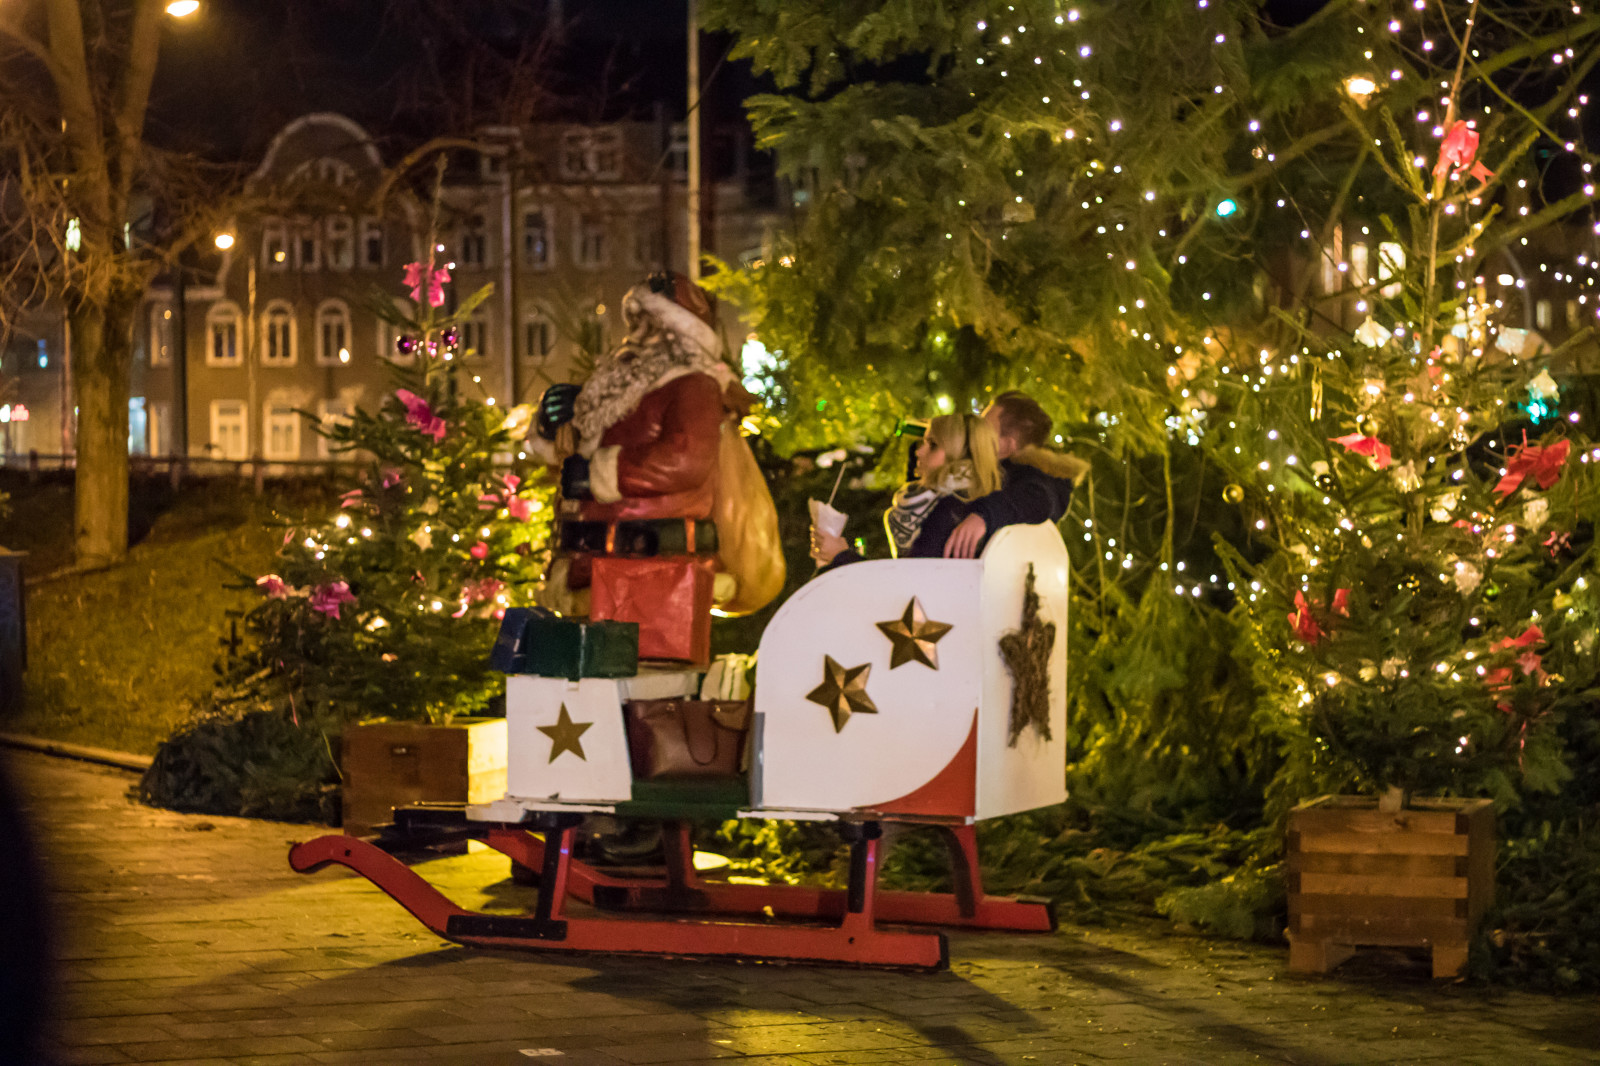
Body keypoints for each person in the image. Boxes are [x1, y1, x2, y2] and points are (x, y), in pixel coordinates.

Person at [810, 412, 1003, 568]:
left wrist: (841, 556)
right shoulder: (971, 503)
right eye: (924, 442)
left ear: (960, 457)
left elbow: (908, 586)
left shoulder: (948, 511)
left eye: (933, 445)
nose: (919, 451)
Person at [941, 390, 1087, 558]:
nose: (976, 432)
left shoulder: (1031, 481)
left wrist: (984, 515)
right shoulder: (978, 470)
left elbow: (1038, 499)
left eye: (985, 428)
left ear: (1008, 446)